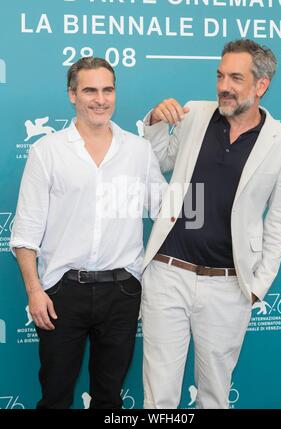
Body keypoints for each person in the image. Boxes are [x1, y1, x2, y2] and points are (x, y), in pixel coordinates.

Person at [141, 39, 281, 409]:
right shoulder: (195, 113)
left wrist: (257, 286)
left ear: (261, 86)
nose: (223, 85)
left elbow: (279, 223)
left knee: (214, 397)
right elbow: (159, 161)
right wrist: (153, 122)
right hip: (169, 273)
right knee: (158, 397)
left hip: (228, 286)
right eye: (220, 75)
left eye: (235, 78)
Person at [10, 57, 166, 409]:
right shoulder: (47, 152)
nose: (100, 99)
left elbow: (168, 212)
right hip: (62, 293)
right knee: (55, 396)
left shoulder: (138, 152)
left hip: (123, 292)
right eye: (90, 90)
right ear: (72, 95)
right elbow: (25, 234)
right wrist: (35, 292)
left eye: (107, 90)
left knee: (109, 399)